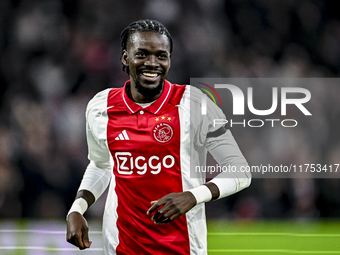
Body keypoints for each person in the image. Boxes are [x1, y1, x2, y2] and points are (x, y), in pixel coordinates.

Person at [66, 19, 251, 255]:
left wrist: (193, 196)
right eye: (142, 54)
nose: (152, 63)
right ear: (125, 58)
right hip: (121, 246)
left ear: (170, 60)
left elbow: (240, 170)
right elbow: (102, 165)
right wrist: (77, 209)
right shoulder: (101, 107)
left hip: (182, 247)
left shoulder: (194, 104)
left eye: (161, 56)